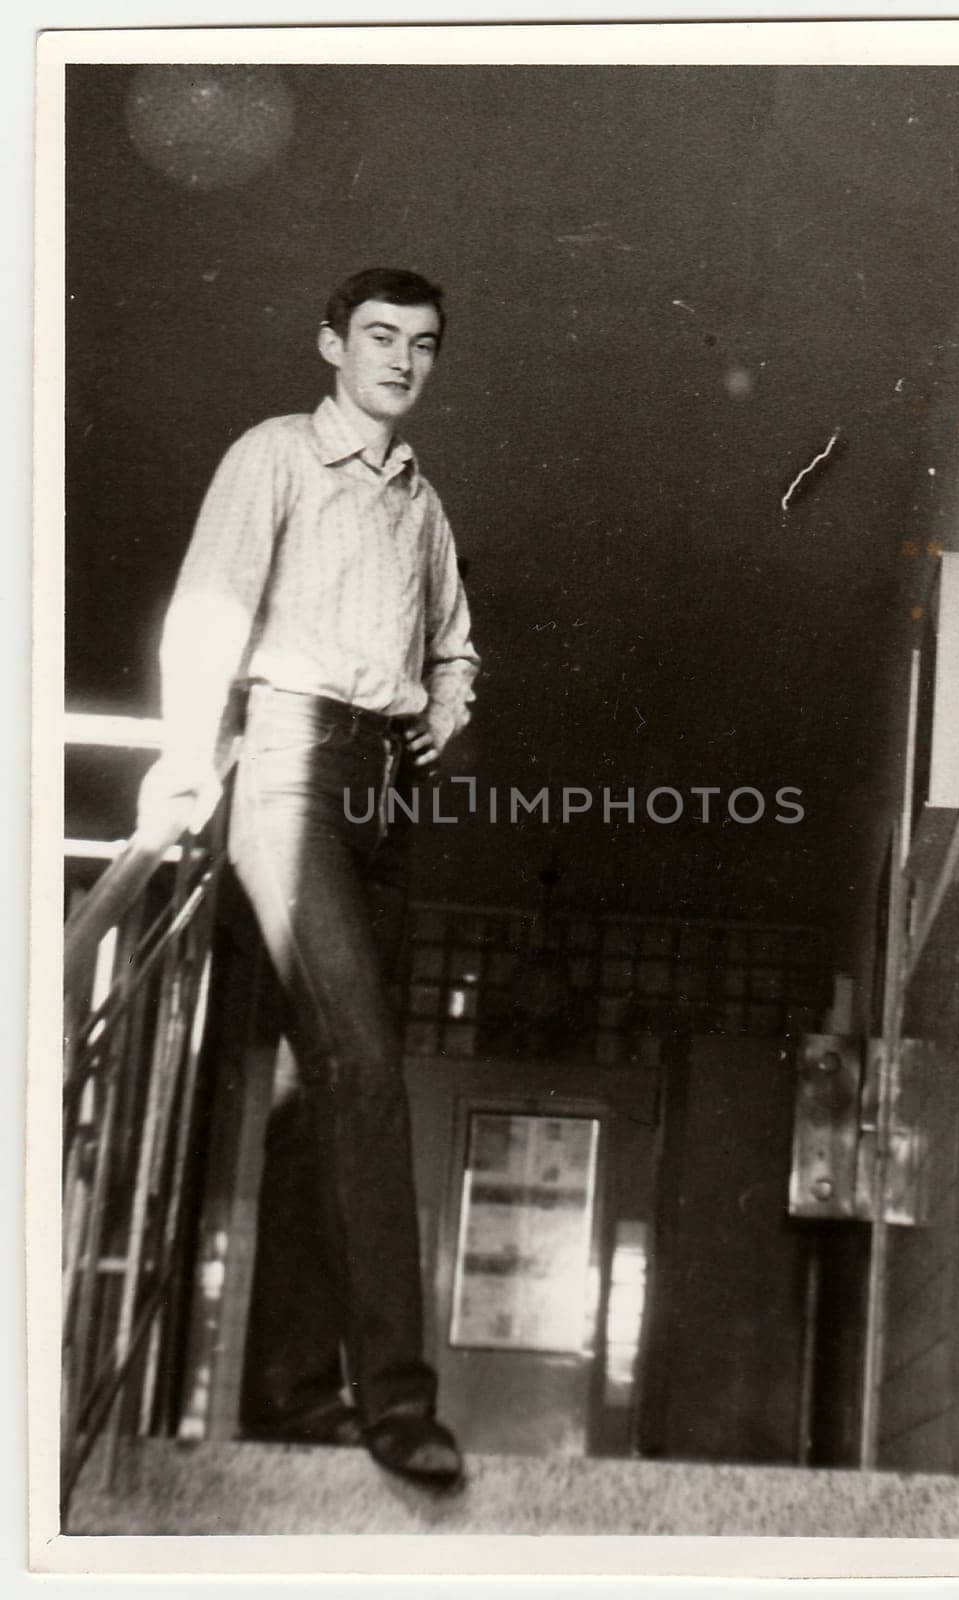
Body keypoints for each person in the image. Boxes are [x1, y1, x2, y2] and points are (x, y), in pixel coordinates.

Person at [139, 267, 479, 1489]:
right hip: (287, 768)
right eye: (379, 336)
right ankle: (396, 1401)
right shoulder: (277, 454)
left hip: (386, 792)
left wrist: (445, 701)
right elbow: (209, 609)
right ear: (332, 342)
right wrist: (187, 759)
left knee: (314, 1093)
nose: (400, 359)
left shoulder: (419, 502)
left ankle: (288, 1394)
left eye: (423, 344)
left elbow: (455, 638)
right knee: (364, 1067)